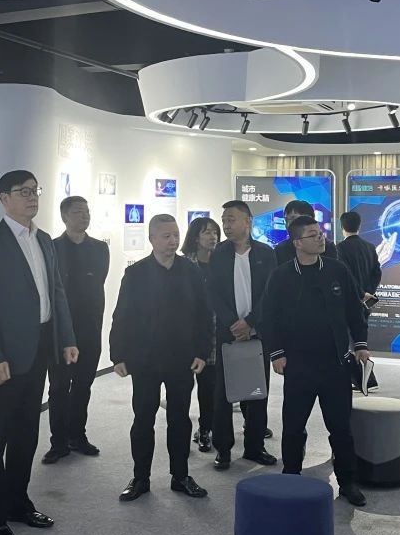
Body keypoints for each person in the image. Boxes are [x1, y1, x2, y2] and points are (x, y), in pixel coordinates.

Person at [0, 171, 79, 535]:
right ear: (4, 198)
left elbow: (57, 292)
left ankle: (18, 502)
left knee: (26, 433)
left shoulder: (44, 240)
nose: (32, 197)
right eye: (23, 192)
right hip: (3, 355)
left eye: (35, 191)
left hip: (40, 349)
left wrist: (66, 338)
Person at [261, 216, 369, 507]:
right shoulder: (281, 276)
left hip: (335, 364)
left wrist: (360, 344)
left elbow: (354, 310)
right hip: (298, 365)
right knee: (293, 427)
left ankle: (347, 482)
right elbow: (268, 317)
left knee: (341, 427)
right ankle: (291, 475)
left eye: (320, 233)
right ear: (297, 243)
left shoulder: (337, 269)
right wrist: (276, 353)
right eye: (312, 235)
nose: (320, 238)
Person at [111, 214, 213, 502]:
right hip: (145, 359)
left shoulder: (191, 271)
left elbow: (204, 314)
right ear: (152, 239)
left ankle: (180, 476)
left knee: (180, 419)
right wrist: (118, 354)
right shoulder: (136, 274)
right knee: (143, 419)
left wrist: (202, 352)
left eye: (175, 235)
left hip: (182, 358)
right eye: (166, 236)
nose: (173, 241)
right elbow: (122, 315)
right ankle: (140, 478)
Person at [209, 201, 278, 470]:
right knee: (223, 394)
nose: (226, 225)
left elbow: (270, 294)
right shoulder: (218, 254)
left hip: (257, 333)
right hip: (228, 334)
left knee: (257, 391)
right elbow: (213, 293)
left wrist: (249, 322)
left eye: (231, 219)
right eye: (224, 220)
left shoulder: (265, 254)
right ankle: (223, 449)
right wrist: (232, 324)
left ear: (248, 221)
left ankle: (254, 446)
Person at [44, 197, 110, 463]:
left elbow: (99, 282)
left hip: (90, 327)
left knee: (83, 385)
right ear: (64, 217)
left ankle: (77, 436)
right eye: (78, 212)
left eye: (87, 211)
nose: (84, 216)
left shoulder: (100, 249)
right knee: (59, 386)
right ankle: (58, 442)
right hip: (61, 329)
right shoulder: (52, 247)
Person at [181, 215, 221, 453]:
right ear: (196, 237)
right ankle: (181, 432)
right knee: (183, 386)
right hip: (187, 333)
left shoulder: (221, 262)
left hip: (214, 332)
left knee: (209, 386)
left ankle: (206, 428)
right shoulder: (184, 264)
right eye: (207, 232)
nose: (212, 236)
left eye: (215, 232)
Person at [337, 210, 382, 391]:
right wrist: (369, 292)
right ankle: (364, 379)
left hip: (350, 301)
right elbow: (377, 272)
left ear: (342, 227)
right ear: (359, 226)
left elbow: (346, 276)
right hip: (366, 302)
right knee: (359, 337)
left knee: (352, 341)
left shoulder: (340, 248)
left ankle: (366, 379)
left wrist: (360, 293)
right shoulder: (369, 247)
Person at [274, 199, 338, 266]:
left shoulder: (326, 246)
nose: (288, 224)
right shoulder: (280, 249)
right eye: (286, 220)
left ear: (310, 219)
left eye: (293, 219)